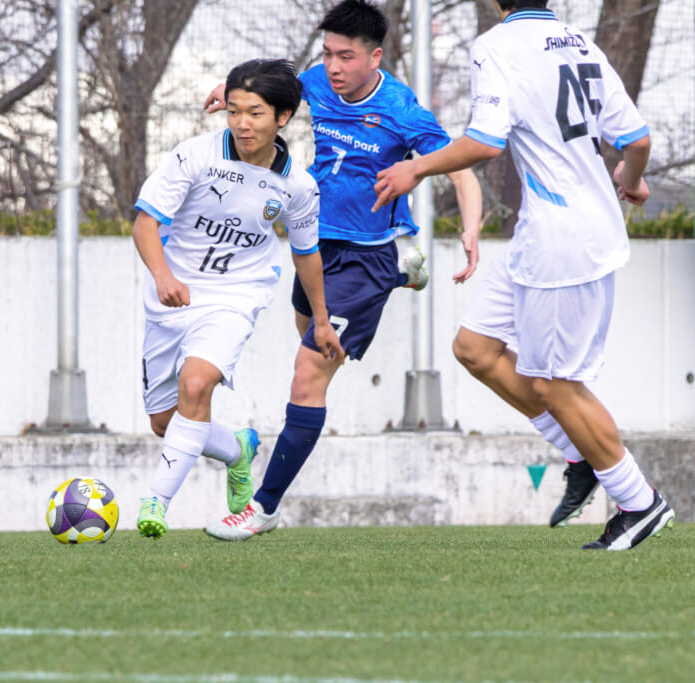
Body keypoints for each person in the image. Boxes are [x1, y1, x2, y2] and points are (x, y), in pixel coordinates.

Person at [373, 0, 675, 550]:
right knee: (475, 347)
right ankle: (580, 452)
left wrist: (416, 167)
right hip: (545, 235)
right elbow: (637, 140)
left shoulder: (497, 46)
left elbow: (485, 142)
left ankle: (639, 503)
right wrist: (631, 180)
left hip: (563, 242)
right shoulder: (580, 42)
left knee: (557, 386)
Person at [202, 0, 483, 541]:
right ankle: (405, 269)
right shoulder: (317, 82)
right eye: (328, 53)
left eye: (345, 56)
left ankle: (263, 507)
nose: (332, 66)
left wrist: (470, 229)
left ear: (374, 57)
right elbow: (276, 92)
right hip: (315, 245)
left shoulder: (402, 110)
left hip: (365, 256)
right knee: (304, 335)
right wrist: (230, 92)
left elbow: (461, 169)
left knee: (308, 374)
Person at [132, 58, 343, 539]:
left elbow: (307, 255)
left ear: (283, 117)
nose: (242, 124)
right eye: (234, 111)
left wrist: (322, 319)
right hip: (170, 297)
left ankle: (156, 503)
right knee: (165, 423)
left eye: (255, 113)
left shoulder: (298, 185)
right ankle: (238, 449)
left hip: (235, 294)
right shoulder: (195, 155)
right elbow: (146, 222)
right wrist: (162, 275)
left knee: (197, 384)